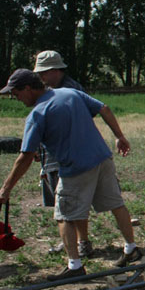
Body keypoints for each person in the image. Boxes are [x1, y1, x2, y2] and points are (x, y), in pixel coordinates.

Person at [0, 69, 143, 281]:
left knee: (64, 216)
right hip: (102, 158)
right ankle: (131, 248)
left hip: (76, 168)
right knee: (116, 203)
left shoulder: (37, 114)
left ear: (28, 89)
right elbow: (104, 108)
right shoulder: (70, 93)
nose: (15, 98)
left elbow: (24, 157)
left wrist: (6, 188)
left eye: (15, 93)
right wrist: (119, 136)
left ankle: (74, 265)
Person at [33, 50, 92, 258]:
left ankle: (83, 242)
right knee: (61, 202)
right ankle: (69, 242)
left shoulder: (72, 90)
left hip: (69, 154)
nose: (41, 76)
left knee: (73, 201)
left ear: (56, 70)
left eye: (44, 72)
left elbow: (85, 119)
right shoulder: (47, 90)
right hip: (52, 154)